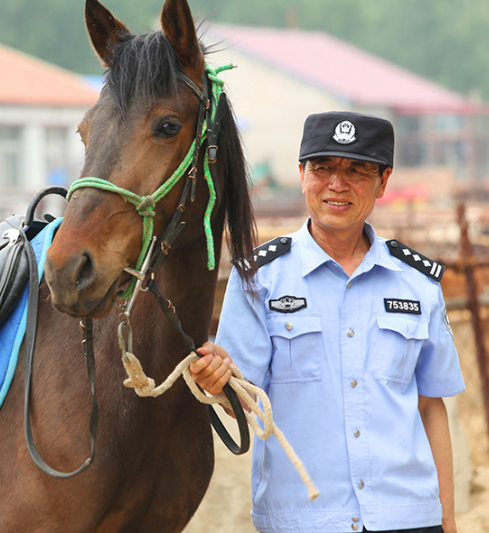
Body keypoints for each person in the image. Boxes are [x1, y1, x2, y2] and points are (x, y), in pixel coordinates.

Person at [190, 111, 464, 533]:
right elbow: (241, 400)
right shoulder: (258, 281)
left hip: (408, 518)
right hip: (303, 520)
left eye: (357, 169)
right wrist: (217, 382)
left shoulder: (417, 284)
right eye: (323, 168)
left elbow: (431, 406)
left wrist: (446, 520)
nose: (338, 184)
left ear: (383, 181)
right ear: (301, 175)